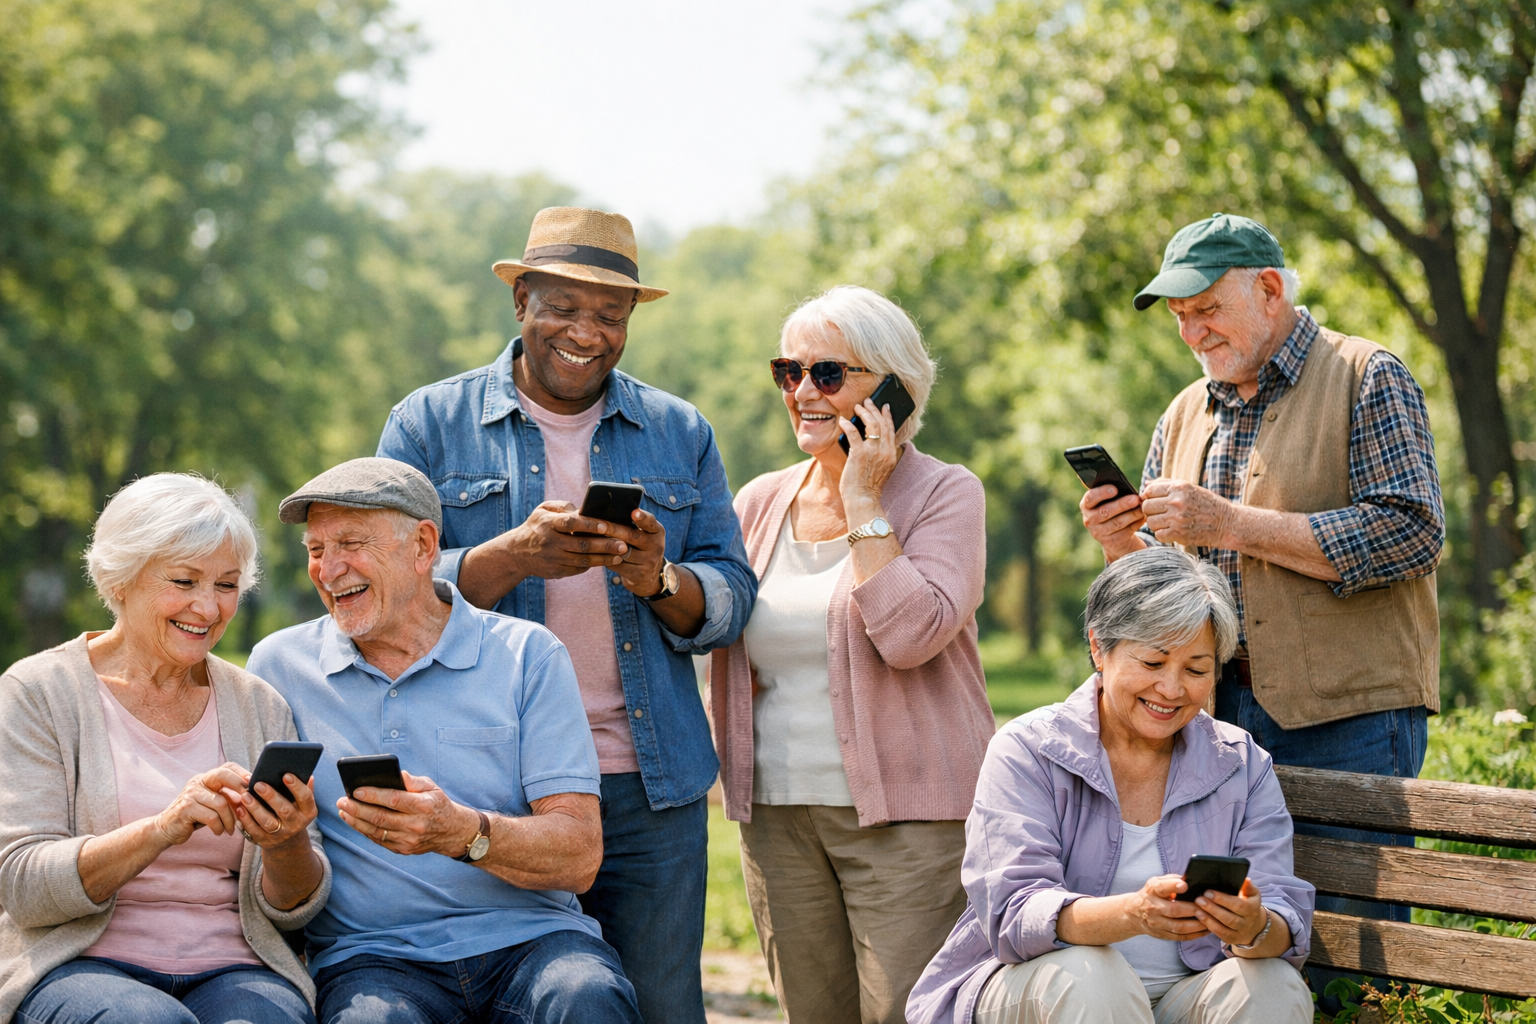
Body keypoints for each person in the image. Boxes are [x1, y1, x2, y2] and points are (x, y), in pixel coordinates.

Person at [375, 206, 755, 1023]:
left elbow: (729, 596)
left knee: (657, 1009)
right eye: (563, 308)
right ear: (521, 306)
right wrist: (511, 557)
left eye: (609, 316)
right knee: (517, 1002)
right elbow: (373, 592)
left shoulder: (679, 430)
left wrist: (658, 578)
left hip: (648, 790)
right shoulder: (426, 425)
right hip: (492, 784)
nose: (587, 332)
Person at [1078, 214, 1442, 927]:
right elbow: (1173, 592)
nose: (1192, 334)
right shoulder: (1183, 412)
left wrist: (1230, 524)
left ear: (1270, 289)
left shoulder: (1367, 376)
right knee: (1232, 924)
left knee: (1351, 933)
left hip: (1348, 718)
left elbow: (1412, 533)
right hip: (1210, 717)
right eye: (1181, 318)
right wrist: (1123, 548)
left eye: (1206, 310)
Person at [246, 458, 641, 1024]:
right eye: (315, 549)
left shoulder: (528, 654)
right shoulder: (279, 665)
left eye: (351, 544)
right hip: (373, 959)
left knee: (586, 997)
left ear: (423, 545)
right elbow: (284, 884)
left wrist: (461, 832)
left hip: (533, 943)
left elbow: (579, 855)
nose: (329, 570)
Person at [709, 285, 994, 1024]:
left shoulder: (945, 494)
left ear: (893, 388)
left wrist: (866, 502)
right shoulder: (759, 501)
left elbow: (910, 636)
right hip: (777, 818)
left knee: (908, 1014)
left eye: (828, 374)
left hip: (909, 821)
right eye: (787, 371)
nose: (803, 391)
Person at [907, 546, 1315, 1024]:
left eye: (1197, 669)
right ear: (1100, 648)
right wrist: (1133, 913)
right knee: (1093, 978)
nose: (1172, 688)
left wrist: (1255, 926)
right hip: (1043, 988)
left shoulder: (1240, 762)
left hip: (1188, 995)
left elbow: (1285, 915)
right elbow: (1015, 914)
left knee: (1271, 983)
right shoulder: (1028, 750)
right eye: (1153, 662)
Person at [0, 474, 330, 1024]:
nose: (207, 607)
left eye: (226, 585)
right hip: (79, 963)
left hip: (235, 966)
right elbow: (23, 885)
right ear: (121, 578)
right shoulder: (38, 692)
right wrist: (162, 828)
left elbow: (294, 908)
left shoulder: (258, 704)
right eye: (184, 581)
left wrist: (286, 843)